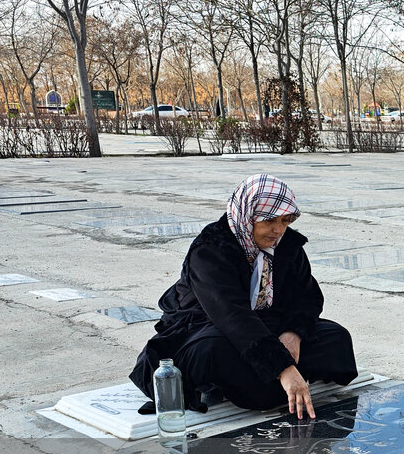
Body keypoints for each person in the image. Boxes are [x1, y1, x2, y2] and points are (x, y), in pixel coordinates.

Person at [130, 173, 357, 420]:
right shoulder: (211, 248)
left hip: (269, 325)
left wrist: (293, 334)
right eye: (270, 220)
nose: (278, 230)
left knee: (336, 337)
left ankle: (261, 383)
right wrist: (283, 367)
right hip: (209, 326)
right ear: (249, 215)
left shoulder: (286, 244)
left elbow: (309, 297)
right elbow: (232, 317)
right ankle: (263, 383)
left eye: (285, 221)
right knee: (213, 350)